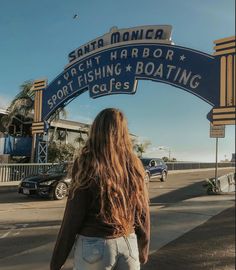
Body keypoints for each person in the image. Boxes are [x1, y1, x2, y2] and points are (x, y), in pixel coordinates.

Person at [50, 108, 150, 270]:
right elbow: (143, 210)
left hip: (93, 247)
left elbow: (73, 215)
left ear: (95, 130)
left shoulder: (87, 163)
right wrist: (143, 247)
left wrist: (57, 261)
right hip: (128, 244)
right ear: (124, 133)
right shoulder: (135, 164)